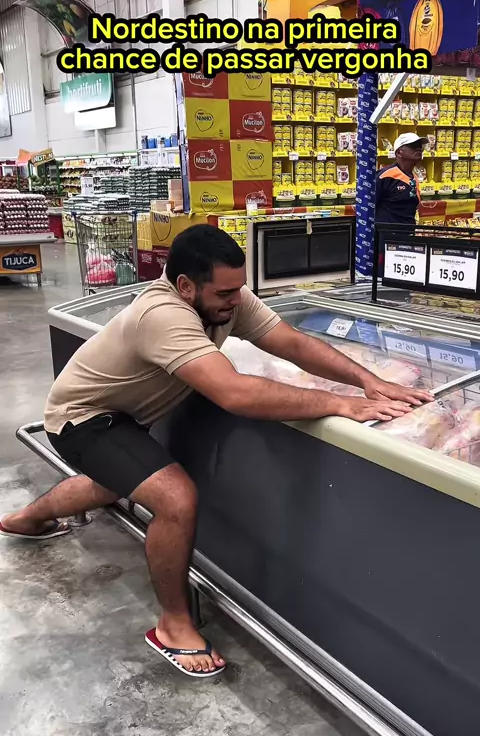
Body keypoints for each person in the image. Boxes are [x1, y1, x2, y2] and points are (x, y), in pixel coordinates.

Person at [0, 225, 432, 678]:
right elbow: (235, 393)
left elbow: (291, 342)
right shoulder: (162, 314)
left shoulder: (227, 299)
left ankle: (28, 518)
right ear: (186, 285)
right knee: (174, 498)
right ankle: (173, 625)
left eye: (239, 288)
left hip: (123, 416)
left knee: (108, 485)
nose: (236, 300)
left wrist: (367, 380)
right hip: (81, 419)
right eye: (225, 292)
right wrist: (341, 404)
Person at [376, 132, 428, 229]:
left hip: (407, 235)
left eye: (420, 146)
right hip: (387, 235)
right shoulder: (385, 176)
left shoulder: (414, 178)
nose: (419, 149)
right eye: (413, 146)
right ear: (399, 153)